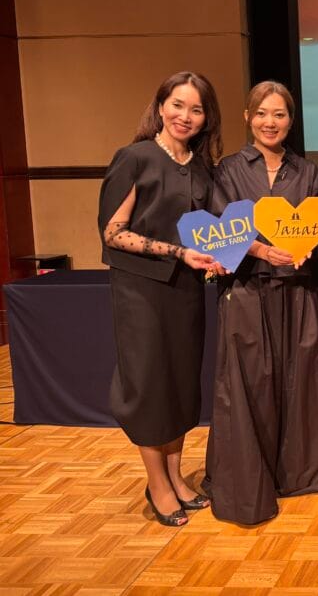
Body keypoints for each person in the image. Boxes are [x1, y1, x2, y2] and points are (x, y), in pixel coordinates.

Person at [206, 81, 318, 525]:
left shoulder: (307, 171)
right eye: (262, 113)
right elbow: (223, 226)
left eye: (279, 114)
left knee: (302, 382)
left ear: (291, 121)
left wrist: (307, 248)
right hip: (246, 291)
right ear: (248, 117)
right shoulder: (227, 170)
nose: (270, 122)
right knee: (247, 386)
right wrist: (264, 250)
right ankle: (247, 481)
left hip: (298, 292)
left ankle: (300, 475)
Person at [98, 71, 223, 526]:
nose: (185, 116)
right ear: (161, 106)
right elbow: (113, 233)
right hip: (142, 291)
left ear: (206, 117)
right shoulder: (135, 157)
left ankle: (175, 475)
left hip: (186, 291)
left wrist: (220, 254)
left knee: (180, 384)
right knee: (150, 386)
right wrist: (177, 252)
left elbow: (212, 229)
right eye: (177, 105)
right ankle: (157, 484)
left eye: (196, 109)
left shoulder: (202, 167)